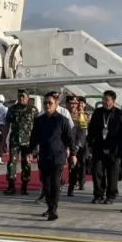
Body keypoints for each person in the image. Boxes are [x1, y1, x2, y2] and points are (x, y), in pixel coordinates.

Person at [28, 93, 77, 221]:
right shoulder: (39, 120)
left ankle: (53, 210)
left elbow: (70, 140)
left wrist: (73, 154)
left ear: (56, 105)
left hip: (58, 157)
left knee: (55, 184)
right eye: (45, 103)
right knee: (46, 185)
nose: (47, 105)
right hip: (44, 157)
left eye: (50, 103)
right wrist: (29, 152)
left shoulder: (62, 120)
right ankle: (50, 207)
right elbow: (34, 138)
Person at [87, 90, 121, 204]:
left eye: (107, 100)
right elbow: (91, 129)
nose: (104, 102)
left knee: (112, 173)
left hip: (113, 149)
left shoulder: (119, 114)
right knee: (97, 171)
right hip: (99, 146)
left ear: (113, 101)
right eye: (103, 99)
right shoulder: (97, 112)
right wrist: (89, 143)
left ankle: (111, 195)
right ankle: (98, 194)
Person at [3, 89, 39, 195]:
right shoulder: (12, 109)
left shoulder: (33, 110)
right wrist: (3, 139)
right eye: (19, 96)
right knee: (11, 163)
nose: (21, 98)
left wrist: (35, 144)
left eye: (23, 96)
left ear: (27, 98)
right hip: (14, 140)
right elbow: (7, 124)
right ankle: (11, 186)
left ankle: (24, 186)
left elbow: (37, 127)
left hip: (27, 142)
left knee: (26, 164)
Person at [67, 95, 88, 196]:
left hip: (75, 145)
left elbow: (82, 132)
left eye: (75, 103)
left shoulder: (81, 115)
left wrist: (76, 147)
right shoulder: (64, 114)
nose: (73, 105)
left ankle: (71, 187)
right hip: (63, 144)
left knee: (73, 167)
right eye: (71, 103)